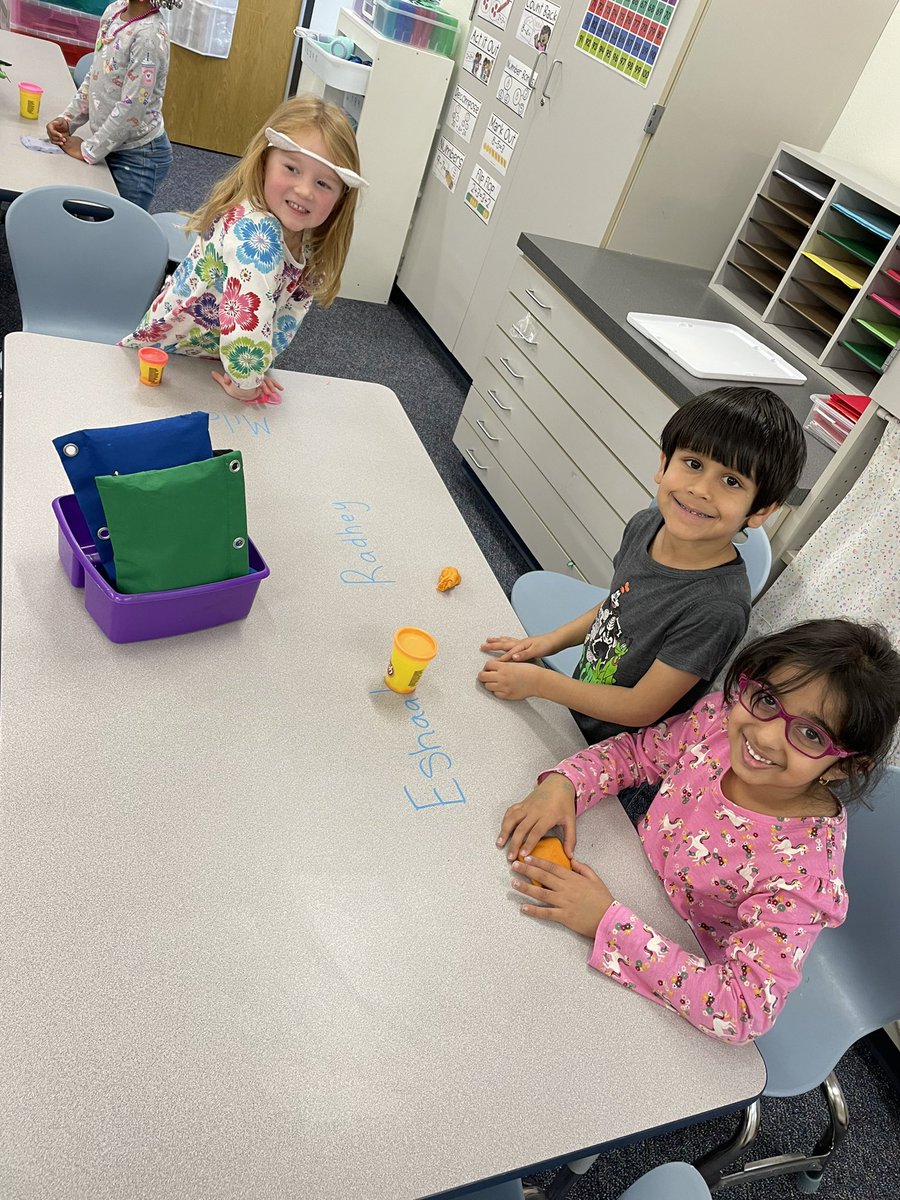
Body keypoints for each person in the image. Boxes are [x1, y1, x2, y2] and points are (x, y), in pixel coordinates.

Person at [498, 619, 900, 1043]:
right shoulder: (719, 724)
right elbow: (636, 754)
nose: (763, 736)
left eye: (809, 733)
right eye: (765, 699)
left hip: (670, 970)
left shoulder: (804, 875)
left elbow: (740, 1011)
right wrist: (567, 783)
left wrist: (604, 920)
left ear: (842, 766)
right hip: (621, 878)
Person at [479, 388, 807, 748]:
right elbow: (618, 605)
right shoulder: (645, 525)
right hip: (577, 708)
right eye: (694, 464)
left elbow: (642, 708)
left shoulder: (718, 608)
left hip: (622, 753)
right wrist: (548, 642)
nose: (700, 489)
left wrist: (540, 684)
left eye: (731, 481)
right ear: (664, 463)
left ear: (760, 510)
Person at [120, 96, 366, 403]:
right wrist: (246, 383)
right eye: (291, 168)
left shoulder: (312, 247)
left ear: (341, 197)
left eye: (323, 183)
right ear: (264, 162)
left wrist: (254, 372)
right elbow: (248, 319)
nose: (304, 190)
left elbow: (284, 320)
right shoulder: (255, 232)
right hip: (165, 359)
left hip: (213, 365)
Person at [45, 0, 180, 210]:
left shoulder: (148, 37)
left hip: (138, 157)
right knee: (96, 216)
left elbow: (132, 109)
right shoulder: (114, 12)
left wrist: (88, 149)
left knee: (120, 230)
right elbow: (96, 75)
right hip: (110, 143)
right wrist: (68, 119)